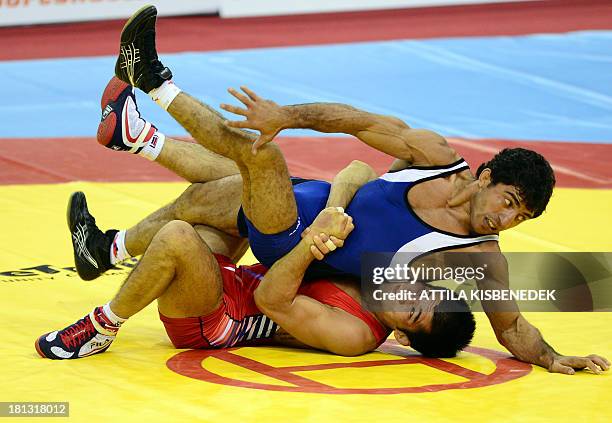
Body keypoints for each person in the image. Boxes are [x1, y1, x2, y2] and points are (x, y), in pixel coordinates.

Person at [68, 5, 608, 374]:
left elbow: (510, 326)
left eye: (521, 220)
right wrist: (287, 116)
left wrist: (556, 358)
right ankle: (110, 231)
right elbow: (355, 121)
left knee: (261, 157)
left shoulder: (479, 258)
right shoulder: (436, 156)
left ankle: (154, 80)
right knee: (211, 188)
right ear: (486, 176)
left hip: (292, 242)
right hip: (309, 200)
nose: (507, 221)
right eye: (510, 203)